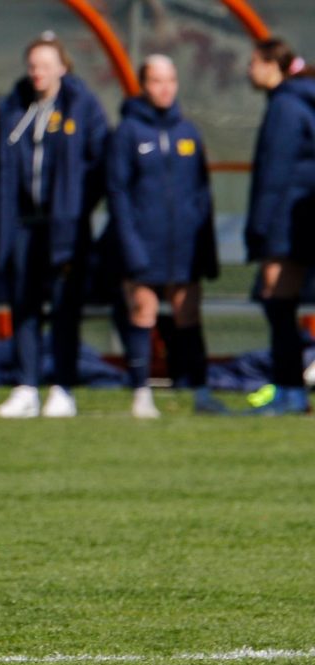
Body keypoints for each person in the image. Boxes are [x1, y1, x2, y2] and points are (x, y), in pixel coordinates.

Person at [0, 34, 108, 418]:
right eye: (33, 66)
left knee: (63, 307)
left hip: (65, 228)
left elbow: (97, 165)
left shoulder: (83, 107)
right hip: (23, 225)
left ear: (62, 67)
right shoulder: (13, 108)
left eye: (45, 65)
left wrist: (74, 208)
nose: (37, 73)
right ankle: (26, 386)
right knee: (24, 306)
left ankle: (63, 387)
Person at [106, 55, 226, 418]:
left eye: (171, 80)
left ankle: (201, 392)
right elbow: (119, 194)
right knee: (143, 312)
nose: (165, 88)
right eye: (157, 81)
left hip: (184, 245)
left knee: (188, 313)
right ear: (144, 85)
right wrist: (130, 246)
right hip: (145, 241)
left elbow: (201, 195)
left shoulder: (188, 133)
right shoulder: (128, 133)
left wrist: (206, 250)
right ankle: (141, 394)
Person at [245, 38, 315, 415]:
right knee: (280, 300)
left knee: (276, 298)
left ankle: (290, 387)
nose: (249, 70)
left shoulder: (286, 106)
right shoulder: (298, 99)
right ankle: (291, 386)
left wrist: (258, 226)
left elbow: (276, 171)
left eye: (254, 62)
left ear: (272, 64)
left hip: (288, 220)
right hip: (299, 217)